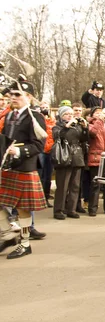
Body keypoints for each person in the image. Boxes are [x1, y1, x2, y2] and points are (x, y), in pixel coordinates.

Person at [0, 79, 47, 259]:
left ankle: (25, 244)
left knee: (23, 208)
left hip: (25, 167)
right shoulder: (10, 116)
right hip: (9, 166)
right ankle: (8, 233)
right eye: (11, 94)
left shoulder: (35, 117)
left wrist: (19, 150)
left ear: (28, 97)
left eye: (17, 95)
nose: (13, 97)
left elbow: (39, 145)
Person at [52, 105, 88, 219]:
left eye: (71, 114)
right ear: (62, 115)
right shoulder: (58, 126)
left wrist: (85, 128)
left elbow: (84, 139)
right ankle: (58, 210)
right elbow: (57, 136)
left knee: (75, 185)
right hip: (63, 156)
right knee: (62, 186)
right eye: (67, 114)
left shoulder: (76, 126)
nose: (70, 116)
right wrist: (66, 126)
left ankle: (71, 209)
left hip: (76, 155)